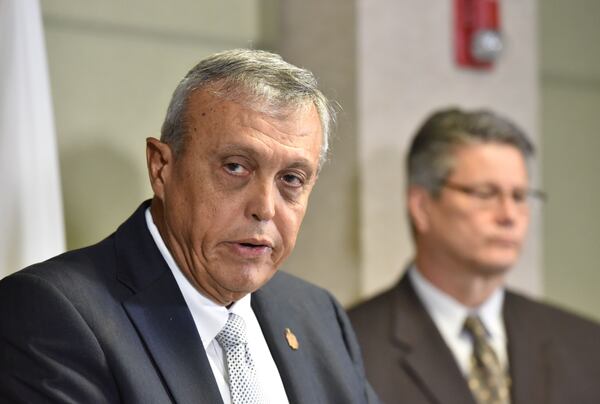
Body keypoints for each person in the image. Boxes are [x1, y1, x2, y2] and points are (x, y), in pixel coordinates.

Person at [0, 49, 378, 404]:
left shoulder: (318, 315)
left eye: (291, 179)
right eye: (235, 167)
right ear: (161, 167)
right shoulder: (51, 314)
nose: (264, 208)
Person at [349, 108, 600, 404]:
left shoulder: (585, 344)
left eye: (519, 197)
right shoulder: (352, 347)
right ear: (422, 206)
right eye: (485, 193)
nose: (509, 216)